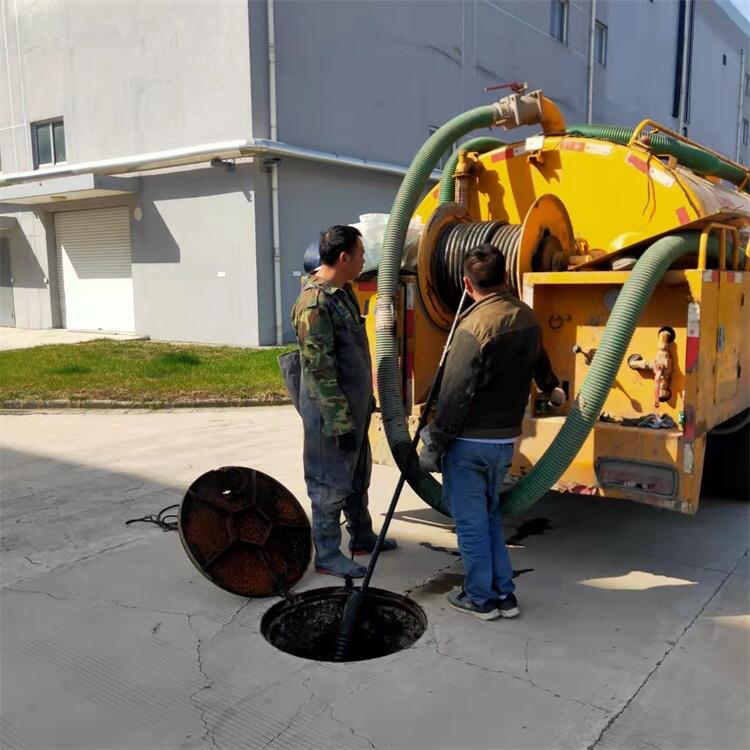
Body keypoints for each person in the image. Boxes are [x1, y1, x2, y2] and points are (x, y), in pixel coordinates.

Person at [418, 242, 564, 620]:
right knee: (490, 518)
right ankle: (505, 595)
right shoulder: (527, 317)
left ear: (467, 284)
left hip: (468, 444)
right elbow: (541, 365)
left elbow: (454, 396)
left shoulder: (473, 327)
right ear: (504, 277)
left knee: (470, 524)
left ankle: (480, 598)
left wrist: (435, 442)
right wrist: (551, 388)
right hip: (504, 442)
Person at [284, 225, 397, 579]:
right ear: (344, 257)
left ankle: (361, 535)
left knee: (357, 475)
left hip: (353, 409)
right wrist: (339, 422)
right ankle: (328, 553)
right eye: (361, 254)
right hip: (331, 416)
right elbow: (319, 371)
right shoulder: (314, 304)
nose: (365, 260)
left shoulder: (342, 293)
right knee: (329, 482)